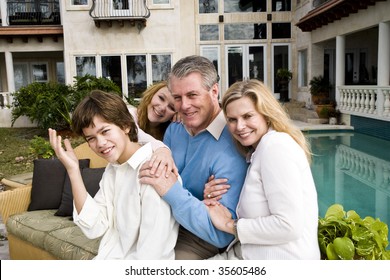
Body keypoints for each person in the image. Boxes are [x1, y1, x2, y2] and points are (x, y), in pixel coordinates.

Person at [139, 55, 248, 259]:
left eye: (192, 95)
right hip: (164, 223)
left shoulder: (234, 142)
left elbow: (221, 234)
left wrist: (170, 189)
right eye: (177, 98)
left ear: (214, 91)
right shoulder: (175, 129)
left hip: (197, 239)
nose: (184, 106)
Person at [48, 90, 179, 259]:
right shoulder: (114, 168)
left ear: (126, 125)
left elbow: (152, 255)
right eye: (91, 138)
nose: (100, 143)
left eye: (105, 131)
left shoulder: (154, 169)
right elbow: (95, 226)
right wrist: (73, 171)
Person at [205, 79, 321, 260]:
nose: (240, 126)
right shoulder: (258, 150)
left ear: (266, 114)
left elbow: (288, 225)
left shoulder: (275, 147)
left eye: (248, 116)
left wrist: (230, 225)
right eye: (232, 120)